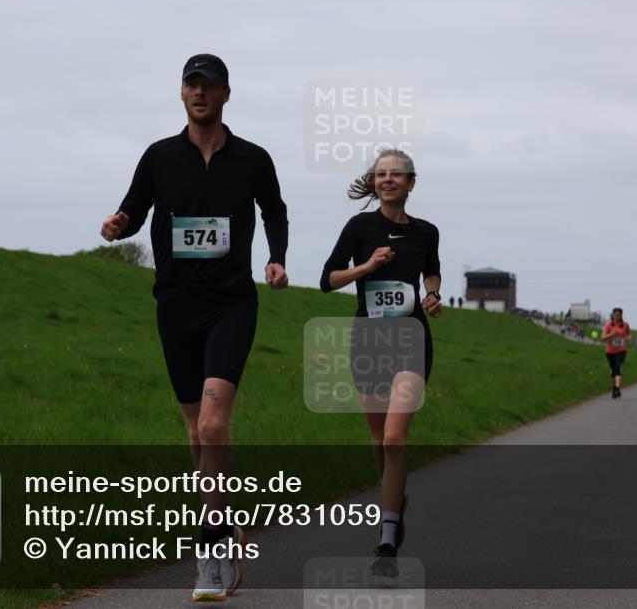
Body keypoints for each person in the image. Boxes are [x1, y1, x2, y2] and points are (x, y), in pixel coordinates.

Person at [100, 54, 290, 602]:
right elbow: (133, 209)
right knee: (195, 430)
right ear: (181, 94)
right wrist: (118, 225)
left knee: (212, 425)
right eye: (191, 85)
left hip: (231, 303)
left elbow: (274, 210)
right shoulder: (160, 156)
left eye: (209, 86)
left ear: (227, 94)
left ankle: (209, 551)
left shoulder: (253, 159)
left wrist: (276, 257)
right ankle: (225, 525)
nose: (199, 93)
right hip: (175, 304)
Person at [319, 149, 441, 576]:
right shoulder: (359, 227)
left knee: (393, 440)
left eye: (397, 174)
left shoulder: (427, 231)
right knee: (378, 442)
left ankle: (387, 540)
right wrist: (367, 266)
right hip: (369, 339)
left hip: (411, 338)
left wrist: (432, 293)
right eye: (381, 174)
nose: (388, 180)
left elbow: (432, 271)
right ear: (373, 182)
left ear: (411, 182)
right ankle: (394, 495)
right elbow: (327, 280)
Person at [602, 307, 631, 399]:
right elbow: (602, 338)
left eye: (619, 315)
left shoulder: (625, 325)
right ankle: (614, 388)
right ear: (613, 315)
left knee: (618, 367)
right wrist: (611, 334)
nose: (617, 316)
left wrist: (628, 338)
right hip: (610, 351)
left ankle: (618, 388)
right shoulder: (608, 325)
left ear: (621, 315)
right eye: (615, 315)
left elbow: (628, 334)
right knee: (613, 371)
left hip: (621, 350)